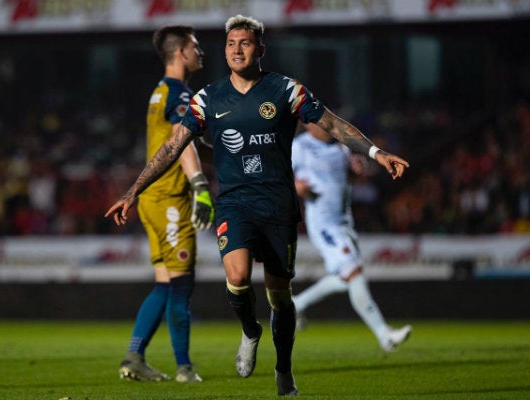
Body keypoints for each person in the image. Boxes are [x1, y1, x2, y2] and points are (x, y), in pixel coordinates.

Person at [105, 15, 409, 396]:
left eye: (245, 43)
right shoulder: (207, 98)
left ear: (259, 49)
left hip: (279, 206)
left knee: (280, 297)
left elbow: (332, 125)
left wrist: (377, 152)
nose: (236, 49)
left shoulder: (285, 90)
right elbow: (172, 146)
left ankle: (284, 369)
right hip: (235, 204)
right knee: (237, 275)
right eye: (231, 43)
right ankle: (250, 331)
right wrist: (133, 190)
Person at [115, 25, 213, 384]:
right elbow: (181, 139)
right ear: (180, 53)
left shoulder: (160, 91)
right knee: (183, 284)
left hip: (153, 200)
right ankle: (185, 368)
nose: (200, 52)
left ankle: (135, 357)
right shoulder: (178, 92)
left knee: (166, 285)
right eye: (195, 46)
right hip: (170, 199)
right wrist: (199, 185)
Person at [292, 122, 412, 352]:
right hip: (324, 224)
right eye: (318, 122)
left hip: (344, 222)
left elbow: (346, 178)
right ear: (308, 126)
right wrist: (295, 187)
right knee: (353, 271)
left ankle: (296, 304)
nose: (325, 125)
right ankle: (385, 335)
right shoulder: (299, 147)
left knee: (346, 277)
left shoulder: (341, 148)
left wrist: (356, 170)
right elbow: (278, 179)